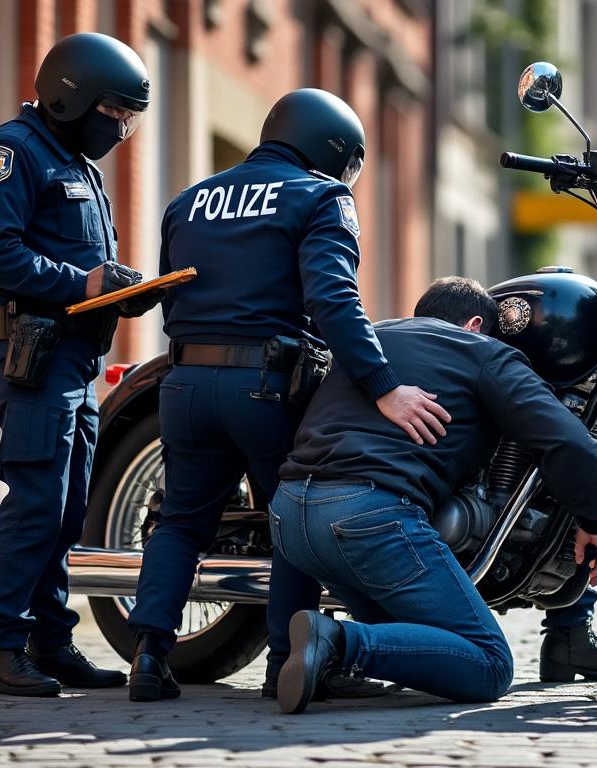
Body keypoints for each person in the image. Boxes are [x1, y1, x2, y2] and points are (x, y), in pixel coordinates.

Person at [124, 89, 451, 703]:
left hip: (185, 382)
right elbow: (333, 299)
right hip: (266, 388)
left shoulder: (188, 201)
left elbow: (176, 295)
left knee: (180, 523)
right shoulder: (321, 196)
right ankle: (286, 664)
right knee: (291, 523)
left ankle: (148, 656)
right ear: (334, 150)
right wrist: (383, 387)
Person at [270, 277, 597, 714]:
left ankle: (328, 653)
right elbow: (570, 442)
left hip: (288, 519)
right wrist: (594, 521)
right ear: (475, 325)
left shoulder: (372, 339)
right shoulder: (481, 350)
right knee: (490, 664)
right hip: (366, 519)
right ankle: (336, 642)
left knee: (422, 644)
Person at [0, 33, 161, 696]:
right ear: (70, 97)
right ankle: (2, 646)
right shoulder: (11, 153)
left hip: (76, 358)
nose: (122, 127)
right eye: (115, 112)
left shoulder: (78, 166)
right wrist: (83, 284)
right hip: (31, 351)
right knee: (38, 499)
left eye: (130, 117)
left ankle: (50, 643)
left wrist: (120, 290)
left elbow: (82, 267)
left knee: (70, 505)